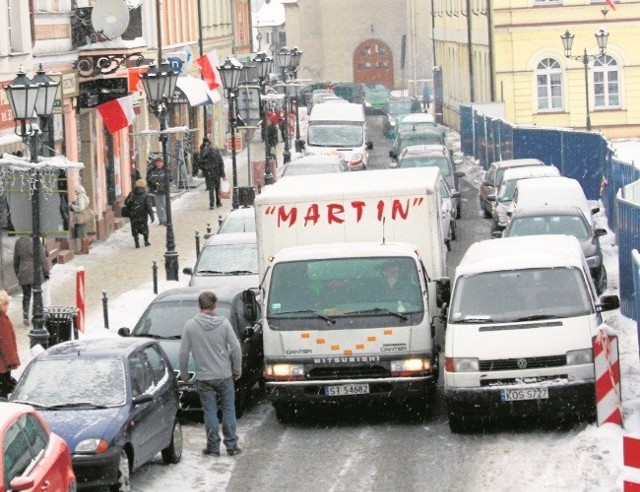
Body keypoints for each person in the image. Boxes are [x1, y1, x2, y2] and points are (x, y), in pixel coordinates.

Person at [178, 291, 242, 457]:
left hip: (204, 377)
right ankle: (232, 445)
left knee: (210, 412)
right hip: (224, 375)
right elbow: (235, 348)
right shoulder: (224, 324)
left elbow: (183, 352)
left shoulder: (190, 325)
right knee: (228, 410)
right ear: (215, 306)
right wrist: (237, 369)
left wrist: (184, 374)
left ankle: (213, 447)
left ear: (199, 306)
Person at [13, 236, 50, 326]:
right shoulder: (36, 241)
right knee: (37, 294)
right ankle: (35, 314)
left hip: (24, 271)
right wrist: (46, 272)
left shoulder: (19, 241)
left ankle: (25, 314)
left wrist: (17, 271)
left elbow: (16, 259)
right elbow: (42, 258)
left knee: (26, 295)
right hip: (35, 271)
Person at [123, 179, 155, 248]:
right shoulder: (146, 195)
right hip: (143, 214)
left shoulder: (132, 193)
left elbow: (126, 203)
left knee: (134, 228)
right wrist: (152, 215)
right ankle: (146, 241)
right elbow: (148, 206)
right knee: (144, 227)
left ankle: (136, 242)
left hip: (133, 214)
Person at [0, 290, 19, 398]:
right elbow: (6, 344)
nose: (8, 306)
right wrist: (12, 362)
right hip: (2, 365)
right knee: (3, 395)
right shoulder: (2, 320)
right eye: (6, 303)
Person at [199, 138, 225, 209]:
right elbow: (221, 163)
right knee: (217, 189)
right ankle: (218, 203)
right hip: (216, 172)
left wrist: (205, 170)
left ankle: (211, 205)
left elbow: (200, 162)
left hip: (209, 173)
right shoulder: (216, 152)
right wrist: (222, 174)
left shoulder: (204, 151)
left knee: (211, 189)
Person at [69, 184, 92, 254]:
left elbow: (80, 208)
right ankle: (85, 249)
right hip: (84, 217)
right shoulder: (84, 197)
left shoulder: (81, 198)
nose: (75, 192)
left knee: (83, 235)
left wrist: (72, 206)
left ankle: (83, 249)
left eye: (76, 191)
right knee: (84, 234)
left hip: (81, 218)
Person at [147, 157, 170, 226]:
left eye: (160, 163)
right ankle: (161, 219)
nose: (158, 164)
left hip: (164, 190)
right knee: (158, 206)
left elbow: (170, 178)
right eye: (157, 163)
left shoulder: (166, 170)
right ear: (155, 163)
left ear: (162, 163)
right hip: (155, 190)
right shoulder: (151, 170)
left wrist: (164, 183)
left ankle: (166, 219)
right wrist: (155, 183)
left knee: (165, 205)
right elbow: (148, 179)